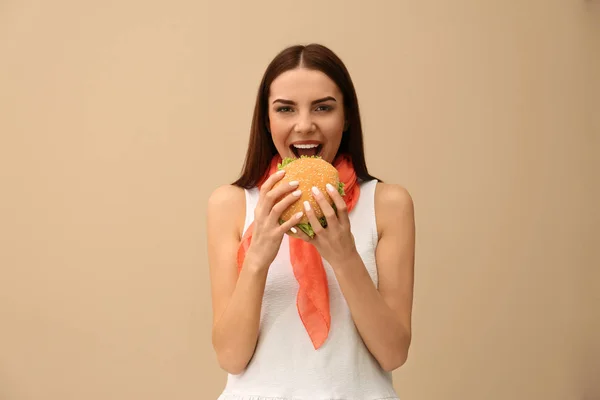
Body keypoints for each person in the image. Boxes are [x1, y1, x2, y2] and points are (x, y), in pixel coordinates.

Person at [206, 43, 415, 400]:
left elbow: (393, 353)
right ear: (266, 120)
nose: (305, 125)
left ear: (346, 116)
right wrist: (258, 256)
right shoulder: (231, 205)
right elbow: (230, 357)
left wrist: (345, 256)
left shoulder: (388, 204)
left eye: (323, 107)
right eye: (285, 109)